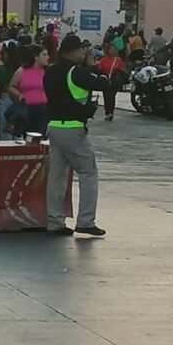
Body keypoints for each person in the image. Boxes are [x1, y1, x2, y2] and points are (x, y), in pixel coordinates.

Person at [45, 34, 111, 237]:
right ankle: (85, 221)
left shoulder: (50, 72)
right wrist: (93, 67)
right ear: (71, 52)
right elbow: (104, 83)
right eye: (82, 50)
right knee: (88, 172)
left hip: (53, 127)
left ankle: (54, 221)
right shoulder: (77, 72)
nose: (85, 53)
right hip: (73, 129)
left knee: (56, 176)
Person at [10, 45, 50, 136]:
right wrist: (19, 95)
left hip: (43, 108)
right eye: (44, 55)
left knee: (40, 136)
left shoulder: (47, 72)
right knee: (26, 136)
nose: (48, 57)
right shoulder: (22, 71)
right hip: (26, 108)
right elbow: (12, 86)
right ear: (36, 57)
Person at [97, 44, 126, 121]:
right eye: (111, 49)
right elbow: (99, 69)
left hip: (114, 82)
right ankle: (107, 111)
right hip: (105, 81)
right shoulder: (103, 60)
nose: (113, 51)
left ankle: (110, 112)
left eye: (114, 49)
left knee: (112, 96)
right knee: (106, 96)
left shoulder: (118, 60)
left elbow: (122, 70)